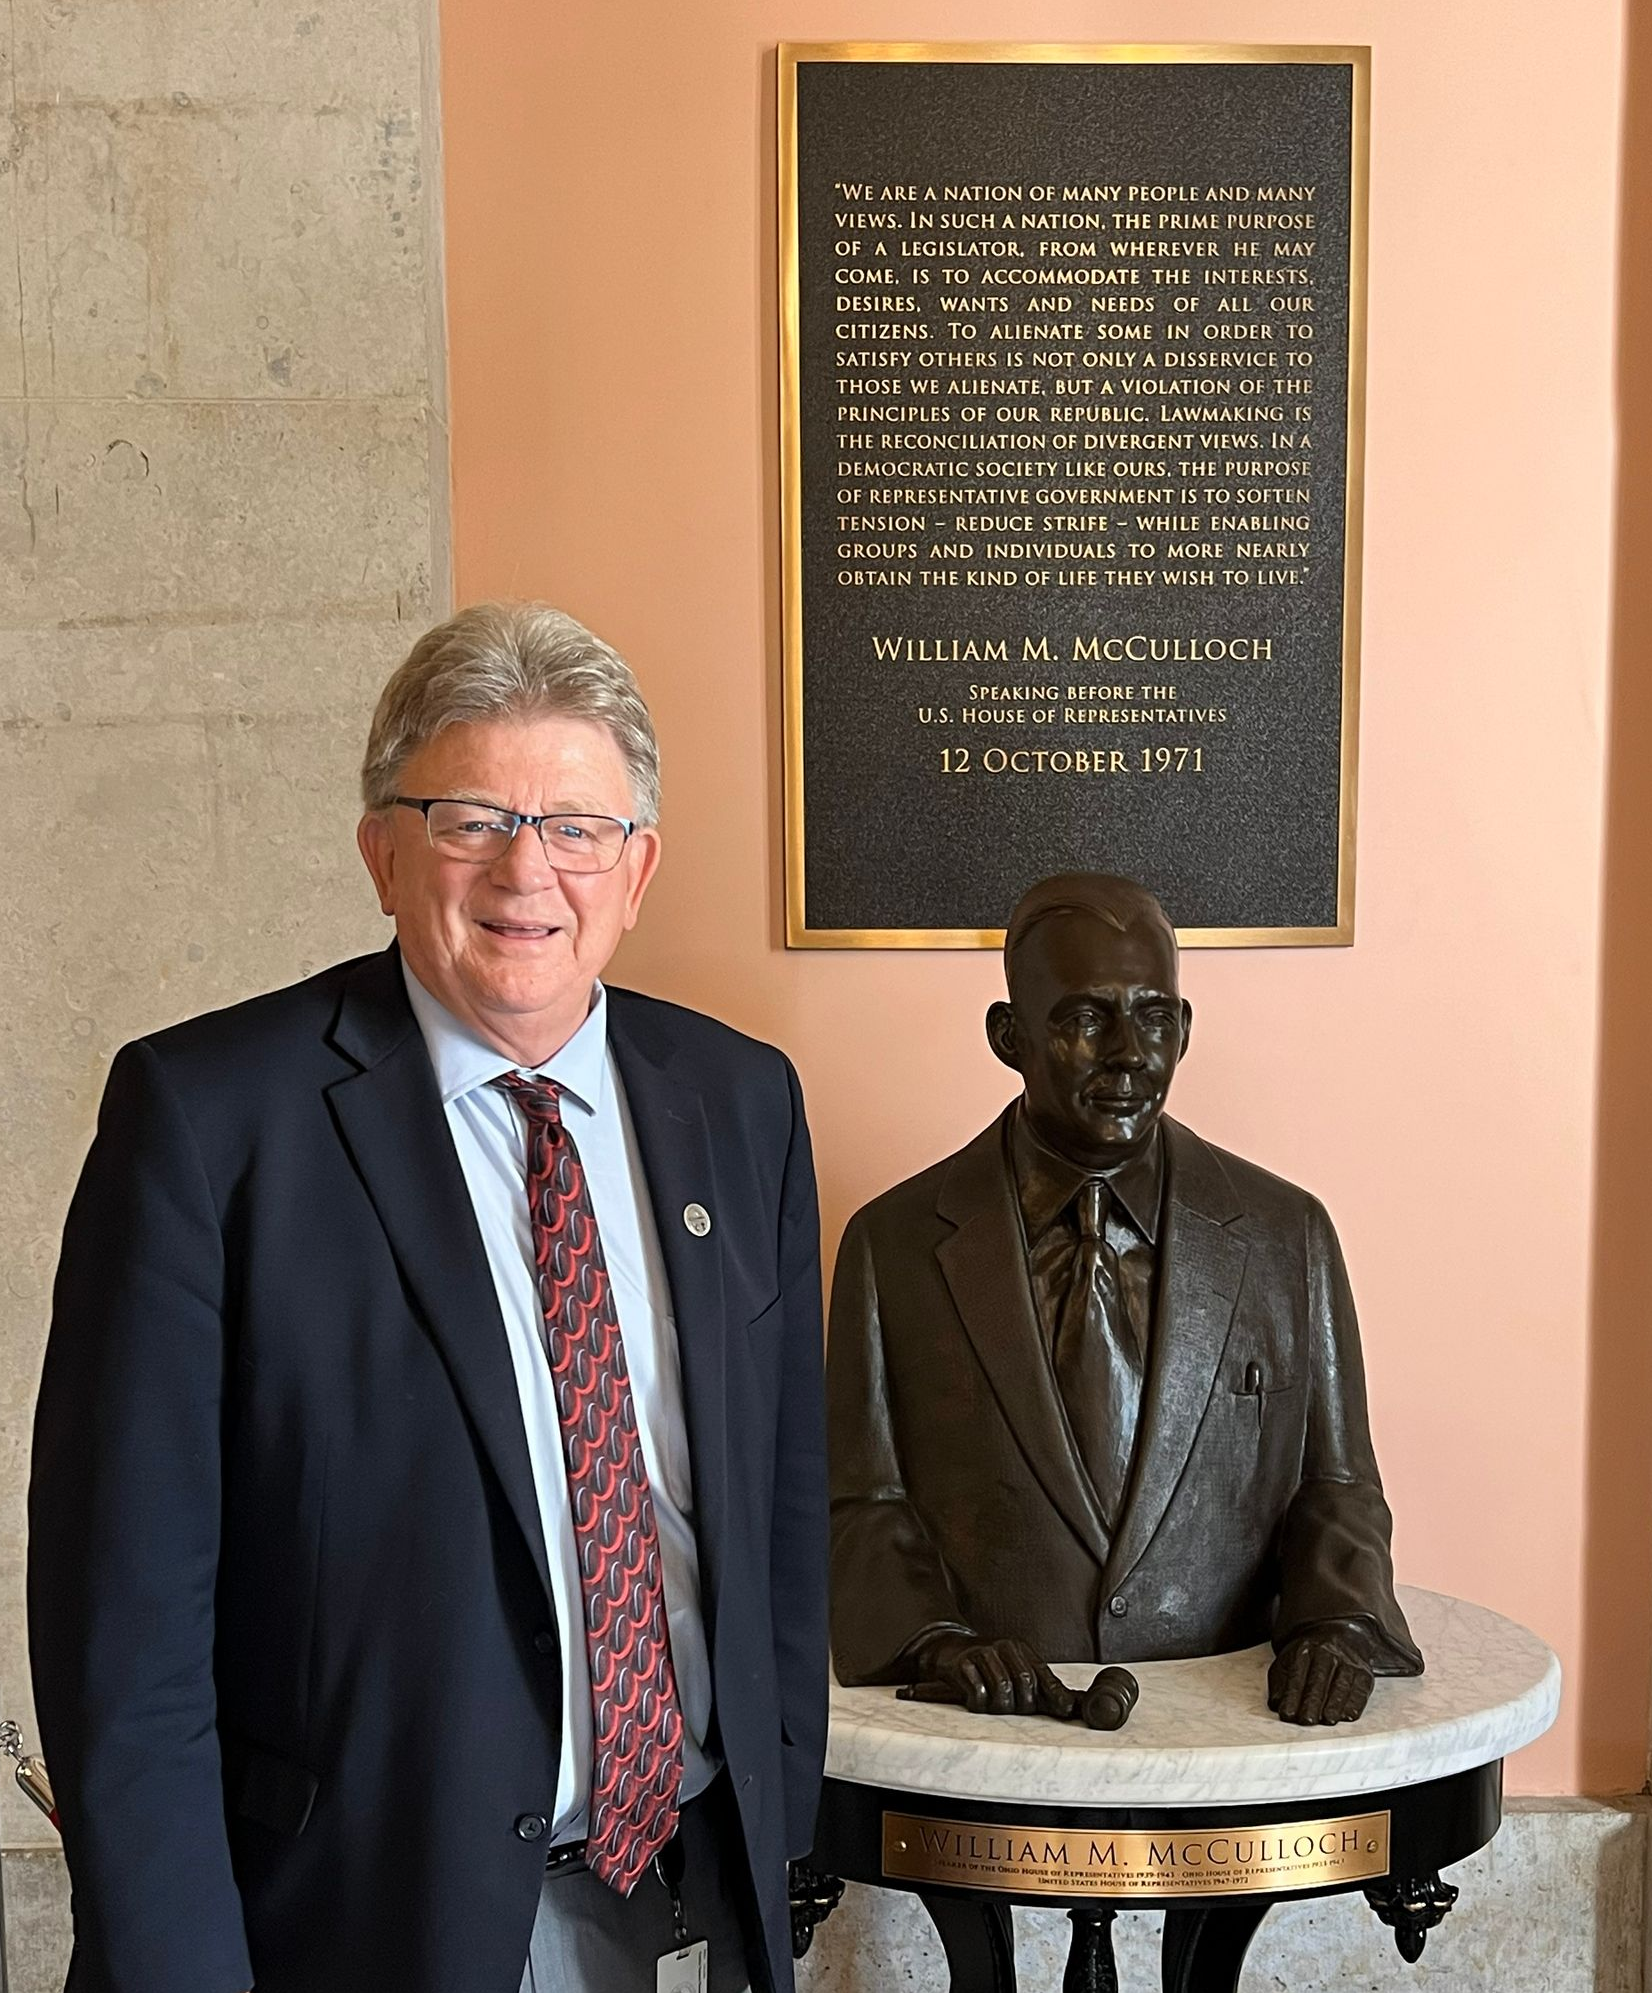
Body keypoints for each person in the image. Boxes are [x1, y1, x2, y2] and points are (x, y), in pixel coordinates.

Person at [29, 603, 827, 1993]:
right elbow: (125, 1633)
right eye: (471, 817)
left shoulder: (738, 1103)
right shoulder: (211, 1124)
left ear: (636, 869)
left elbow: (778, 1511)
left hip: (687, 1890)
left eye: (577, 825)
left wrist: (782, 1822)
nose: (530, 869)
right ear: (381, 851)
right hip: (354, 1919)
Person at [827, 871, 1422, 1728]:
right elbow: (863, 1500)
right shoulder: (894, 1245)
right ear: (1009, 1035)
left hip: (1226, 1726)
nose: (1128, 1054)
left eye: (1153, 1016)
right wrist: (937, 1640)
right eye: (1083, 1017)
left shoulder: (1286, 1234)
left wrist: (1336, 1623)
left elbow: (1338, 1483)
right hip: (999, 1733)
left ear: (1183, 1029)